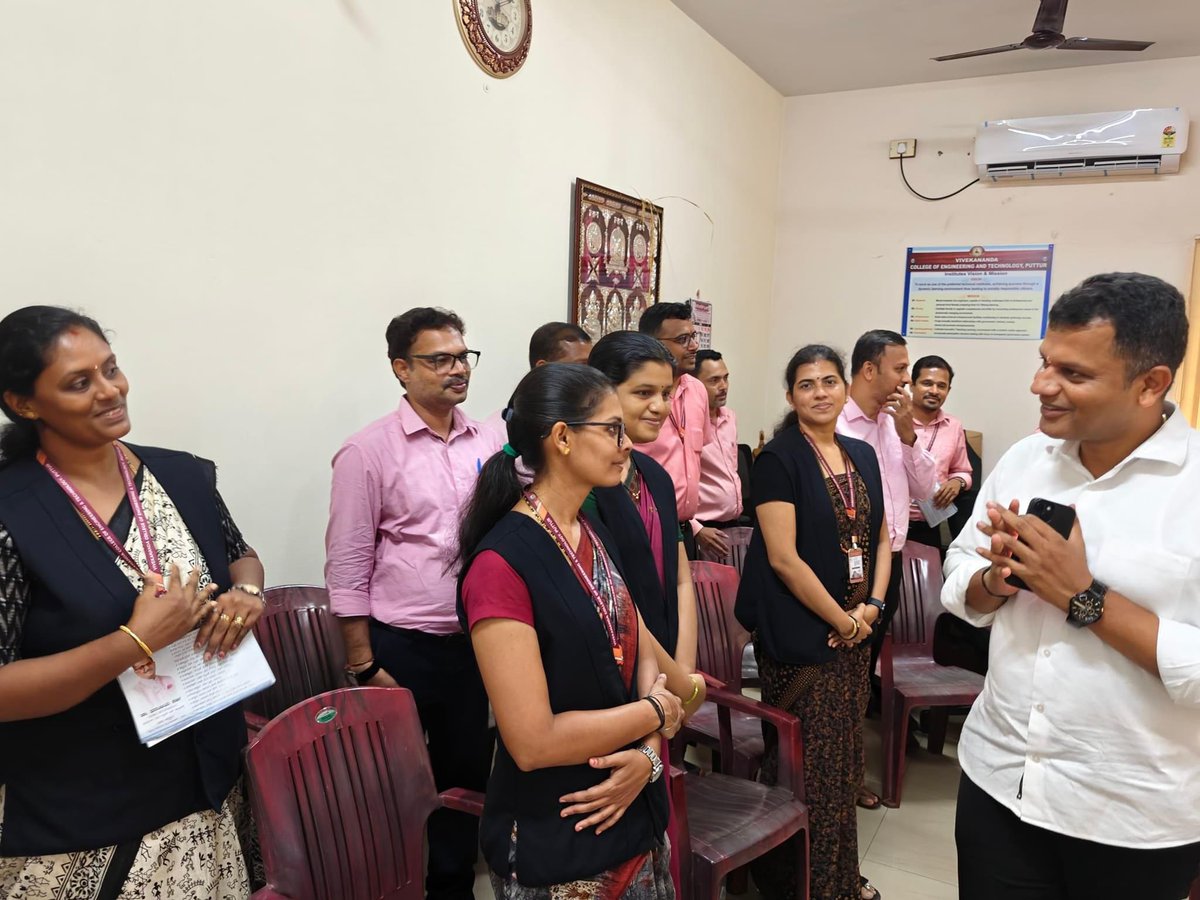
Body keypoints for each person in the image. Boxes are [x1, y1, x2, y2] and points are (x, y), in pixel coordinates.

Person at [943, 272, 1200, 900]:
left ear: (1152, 384)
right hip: (999, 780)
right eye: (1043, 362)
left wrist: (1082, 597)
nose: (1040, 386)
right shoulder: (1029, 457)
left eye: (1074, 374)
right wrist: (995, 580)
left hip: (1132, 816)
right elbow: (959, 568)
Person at [0, 306, 265, 899]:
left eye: (111, 370)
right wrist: (135, 641)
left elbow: (238, 554)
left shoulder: (182, 475)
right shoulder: (11, 514)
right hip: (82, 813)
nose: (109, 391)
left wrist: (247, 593)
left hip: (207, 786)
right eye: (79, 382)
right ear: (25, 403)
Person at [455, 363, 697, 900]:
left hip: (633, 803)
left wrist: (649, 756)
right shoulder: (501, 564)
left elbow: (642, 656)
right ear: (562, 437)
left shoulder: (591, 530)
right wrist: (658, 714)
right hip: (559, 831)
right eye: (611, 429)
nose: (626, 442)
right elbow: (532, 742)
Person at [325, 306, 500, 900]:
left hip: (476, 643)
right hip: (401, 646)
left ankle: (449, 888)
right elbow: (348, 562)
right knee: (392, 783)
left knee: (464, 776)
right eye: (439, 359)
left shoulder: (494, 441)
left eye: (462, 356)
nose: (457, 369)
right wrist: (363, 663)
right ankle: (386, 885)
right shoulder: (367, 451)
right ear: (401, 369)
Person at [735, 345, 890, 900]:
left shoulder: (861, 455)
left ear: (846, 389)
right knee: (812, 770)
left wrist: (870, 607)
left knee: (841, 763)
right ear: (790, 396)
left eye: (829, 381)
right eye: (807, 384)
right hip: (803, 633)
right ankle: (808, 883)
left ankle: (832, 875)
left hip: (855, 626)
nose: (820, 392)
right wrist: (843, 621)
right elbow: (782, 559)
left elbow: (880, 538)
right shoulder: (779, 458)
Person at [586, 332, 700, 672]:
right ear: (601, 392)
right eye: (643, 393)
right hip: (608, 662)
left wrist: (685, 671)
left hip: (668, 664)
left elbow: (680, 580)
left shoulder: (656, 476)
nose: (660, 407)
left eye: (665, 393)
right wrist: (671, 681)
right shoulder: (583, 484)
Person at [637, 302, 714, 557]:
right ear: (654, 343)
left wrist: (694, 524)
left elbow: (693, 461)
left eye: (694, 337)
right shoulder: (636, 397)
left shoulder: (698, 390)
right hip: (646, 527)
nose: (694, 346)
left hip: (686, 528)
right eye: (683, 339)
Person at [483, 321, 593, 441]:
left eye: (591, 366)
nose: (590, 375)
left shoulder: (593, 423)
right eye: (581, 366)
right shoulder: (497, 431)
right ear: (543, 368)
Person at [906, 355, 972, 553]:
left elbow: (963, 471)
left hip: (930, 523)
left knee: (927, 584)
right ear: (912, 385)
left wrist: (957, 483)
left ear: (948, 390)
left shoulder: (954, 426)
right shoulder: (891, 422)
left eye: (941, 386)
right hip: (891, 522)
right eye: (927, 383)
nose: (934, 391)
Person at [690, 349, 744, 559]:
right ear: (694, 385)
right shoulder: (686, 425)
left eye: (725, 378)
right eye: (714, 380)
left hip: (733, 525)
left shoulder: (730, 418)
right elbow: (674, 485)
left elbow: (731, 472)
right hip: (704, 529)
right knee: (705, 591)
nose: (723, 386)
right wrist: (696, 529)